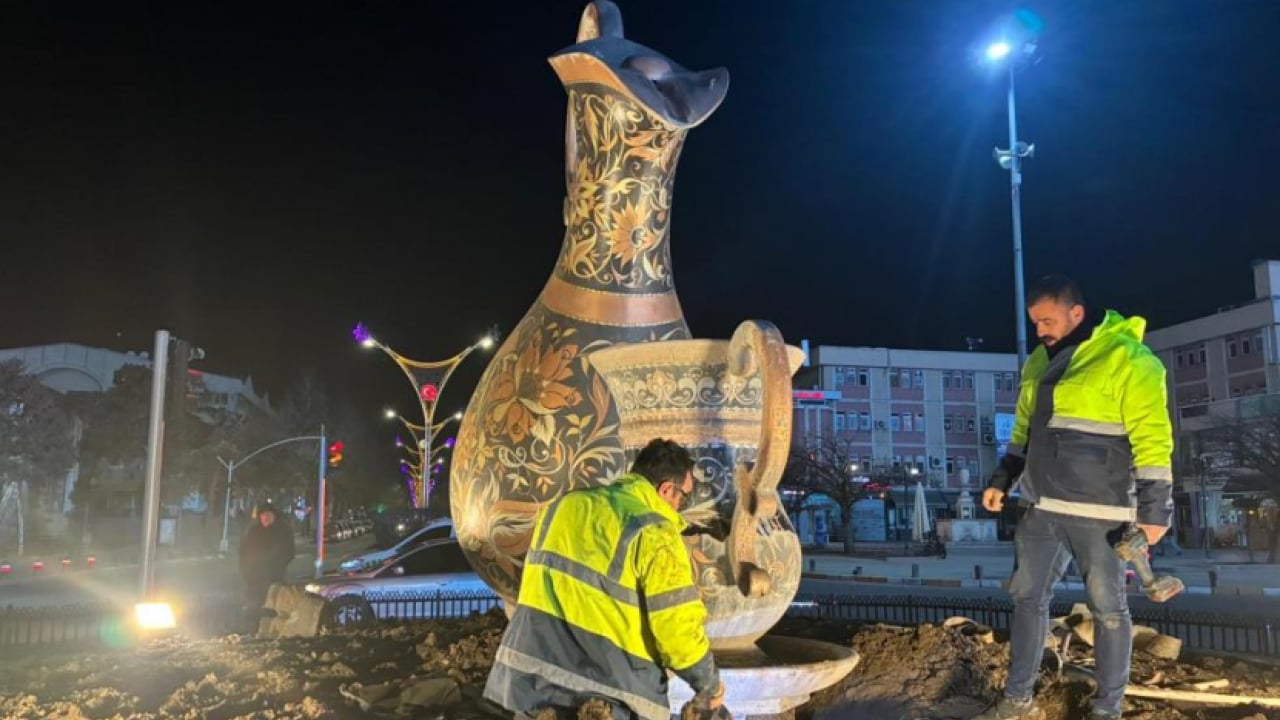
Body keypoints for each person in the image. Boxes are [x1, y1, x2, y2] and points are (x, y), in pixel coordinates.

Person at [977, 275, 1174, 720]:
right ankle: (1017, 701)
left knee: (1108, 611)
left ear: (1077, 313)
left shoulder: (1130, 359)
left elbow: (1154, 438)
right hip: (1041, 508)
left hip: (1101, 511)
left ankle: (1107, 709)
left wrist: (1155, 508)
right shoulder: (1038, 362)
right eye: (1035, 322)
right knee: (1027, 601)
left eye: (1047, 320)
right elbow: (1024, 431)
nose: (1040, 329)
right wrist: (1002, 478)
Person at [484, 438, 727, 720]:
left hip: (534, 680)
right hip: (609, 693)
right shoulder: (655, 532)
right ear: (666, 490)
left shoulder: (564, 506)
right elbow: (677, 630)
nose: (681, 507)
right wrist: (708, 684)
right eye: (684, 497)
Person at [238, 501, 296, 612]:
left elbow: (288, 552)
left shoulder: (283, 531)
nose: (266, 518)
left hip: (274, 578)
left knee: (271, 608)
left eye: (269, 515)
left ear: (274, 516)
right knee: (252, 608)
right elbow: (243, 552)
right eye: (263, 515)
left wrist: (276, 566)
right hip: (253, 579)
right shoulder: (254, 531)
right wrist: (246, 570)